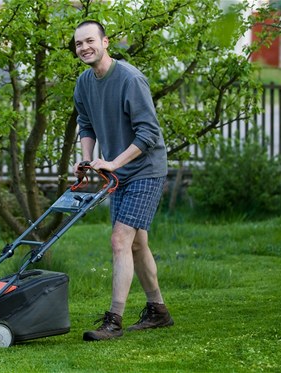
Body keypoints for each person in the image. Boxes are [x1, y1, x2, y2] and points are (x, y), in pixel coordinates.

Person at [72, 20, 173, 341]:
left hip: (145, 169)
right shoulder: (84, 83)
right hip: (118, 174)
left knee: (119, 240)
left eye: (90, 41)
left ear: (105, 42)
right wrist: (88, 160)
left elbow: (149, 133)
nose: (84, 48)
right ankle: (158, 311)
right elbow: (86, 125)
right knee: (137, 243)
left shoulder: (130, 79)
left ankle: (113, 320)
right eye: (78, 44)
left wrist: (114, 161)